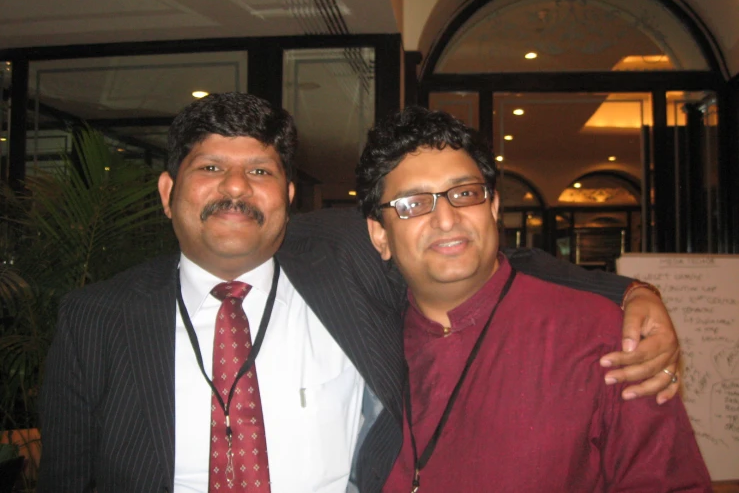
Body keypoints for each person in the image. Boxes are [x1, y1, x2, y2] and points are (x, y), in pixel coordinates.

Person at [39, 93, 679, 493]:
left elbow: (469, 251)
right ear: (167, 192)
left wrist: (631, 291)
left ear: (287, 197)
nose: (236, 187)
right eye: (210, 168)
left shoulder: (346, 255)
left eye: (260, 171)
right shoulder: (95, 318)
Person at [355, 106, 710, 492]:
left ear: (492, 207)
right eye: (414, 204)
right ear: (380, 235)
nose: (446, 219)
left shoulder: (604, 336)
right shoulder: (364, 342)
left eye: (465, 193)